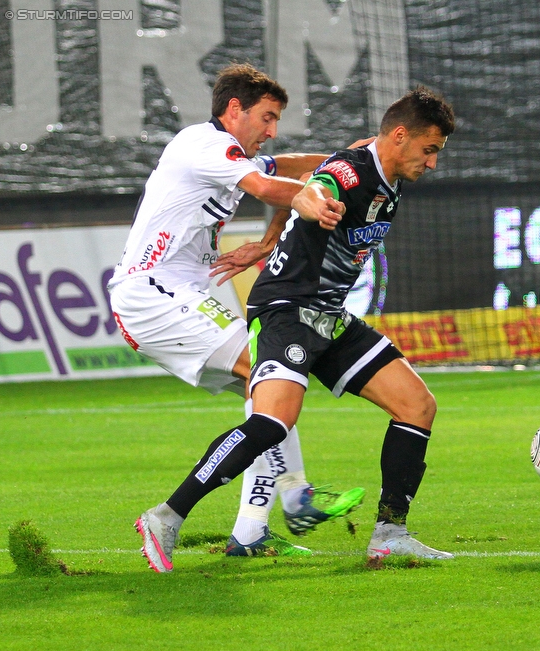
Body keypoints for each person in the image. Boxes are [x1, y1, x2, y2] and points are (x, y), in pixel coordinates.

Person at [134, 86, 457, 572]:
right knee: (271, 422)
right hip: (285, 308)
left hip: (328, 314)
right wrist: (313, 198)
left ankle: (390, 533)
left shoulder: (386, 174)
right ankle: (167, 515)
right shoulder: (350, 173)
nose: (432, 163)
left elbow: (305, 175)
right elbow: (321, 183)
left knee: (417, 406)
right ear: (399, 135)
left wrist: (269, 238)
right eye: (429, 149)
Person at [110, 63, 365, 567]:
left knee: (273, 391)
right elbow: (272, 186)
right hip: (151, 291)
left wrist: (355, 159)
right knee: (268, 372)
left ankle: (253, 529)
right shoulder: (201, 145)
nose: (271, 131)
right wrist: (310, 198)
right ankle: (271, 499)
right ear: (234, 110)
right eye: (266, 118)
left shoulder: (228, 152)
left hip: (175, 293)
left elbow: (290, 165)